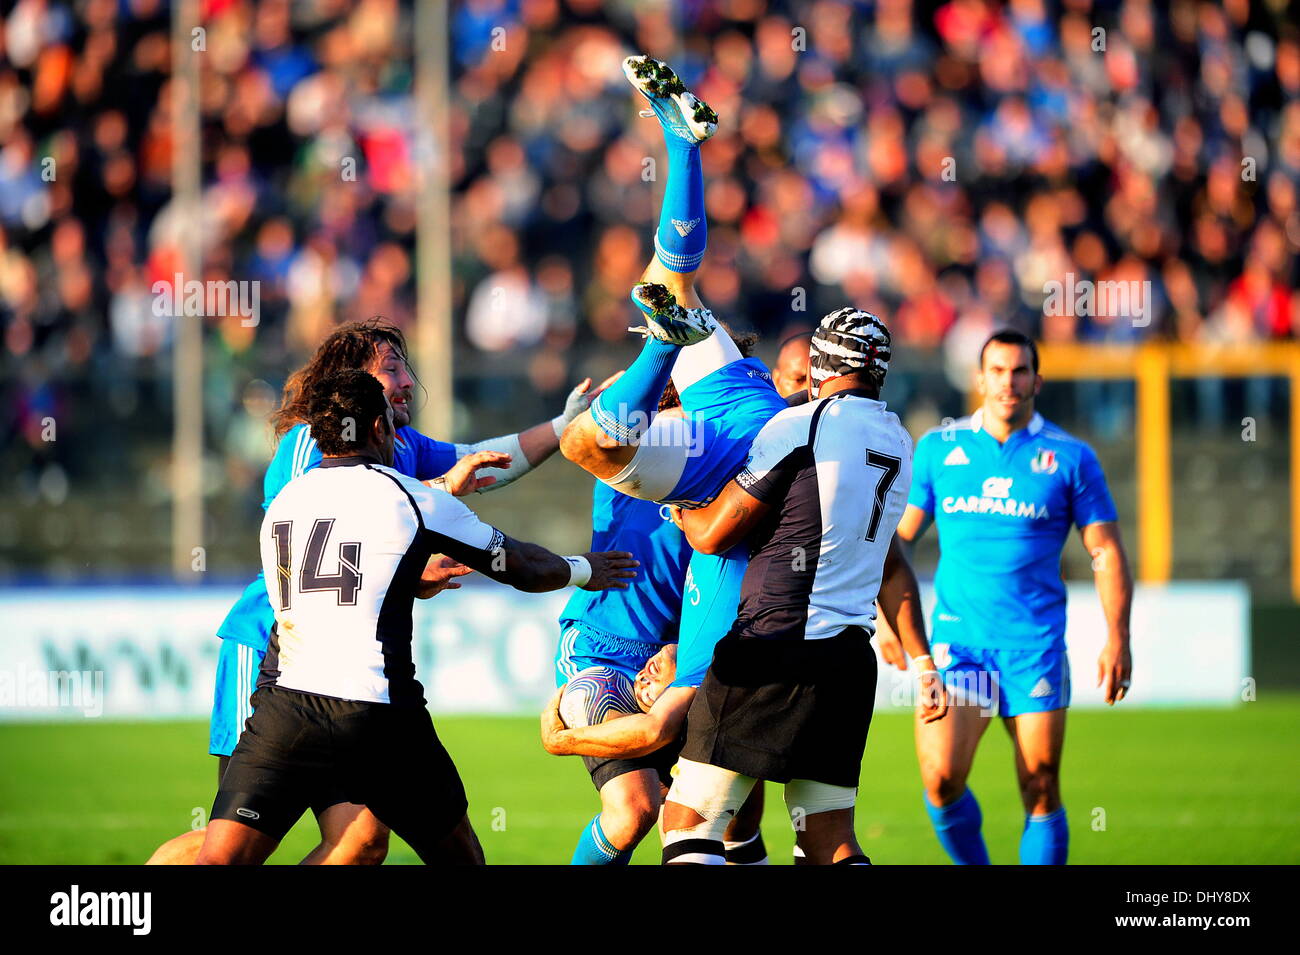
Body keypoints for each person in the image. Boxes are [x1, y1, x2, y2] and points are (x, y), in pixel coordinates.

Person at [147, 317, 603, 865]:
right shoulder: (305, 446)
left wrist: (564, 425)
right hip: (273, 647)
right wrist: (438, 503)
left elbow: (486, 462)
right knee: (235, 844)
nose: (408, 381)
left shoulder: (404, 445)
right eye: (391, 370)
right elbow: (340, 518)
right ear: (353, 390)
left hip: (342, 678)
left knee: (362, 841)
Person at [650, 307, 945, 864]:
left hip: (774, 644)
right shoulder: (899, 439)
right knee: (827, 840)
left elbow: (713, 534)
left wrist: (672, 500)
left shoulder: (801, 424)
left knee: (690, 822)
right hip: (847, 663)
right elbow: (887, 560)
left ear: (820, 363)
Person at [895, 328, 1133, 865]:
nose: (1008, 382)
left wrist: (1117, 637)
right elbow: (898, 544)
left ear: (1037, 380)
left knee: (1041, 784)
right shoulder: (940, 448)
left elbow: (1107, 553)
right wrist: (892, 623)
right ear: (979, 379)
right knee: (940, 779)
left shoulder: (1070, 458)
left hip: (1035, 646)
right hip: (961, 646)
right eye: (997, 371)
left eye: (1019, 371)